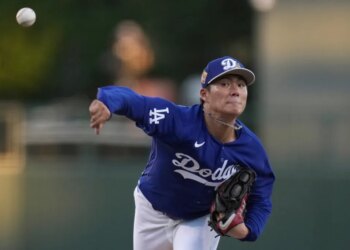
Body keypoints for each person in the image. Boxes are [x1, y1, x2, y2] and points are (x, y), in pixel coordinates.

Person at [89, 56, 275, 250]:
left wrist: (248, 230)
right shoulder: (177, 121)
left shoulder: (251, 149)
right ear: (204, 94)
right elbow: (136, 102)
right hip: (152, 210)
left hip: (200, 218)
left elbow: (262, 195)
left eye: (241, 84)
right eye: (225, 83)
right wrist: (107, 103)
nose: (235, 90)